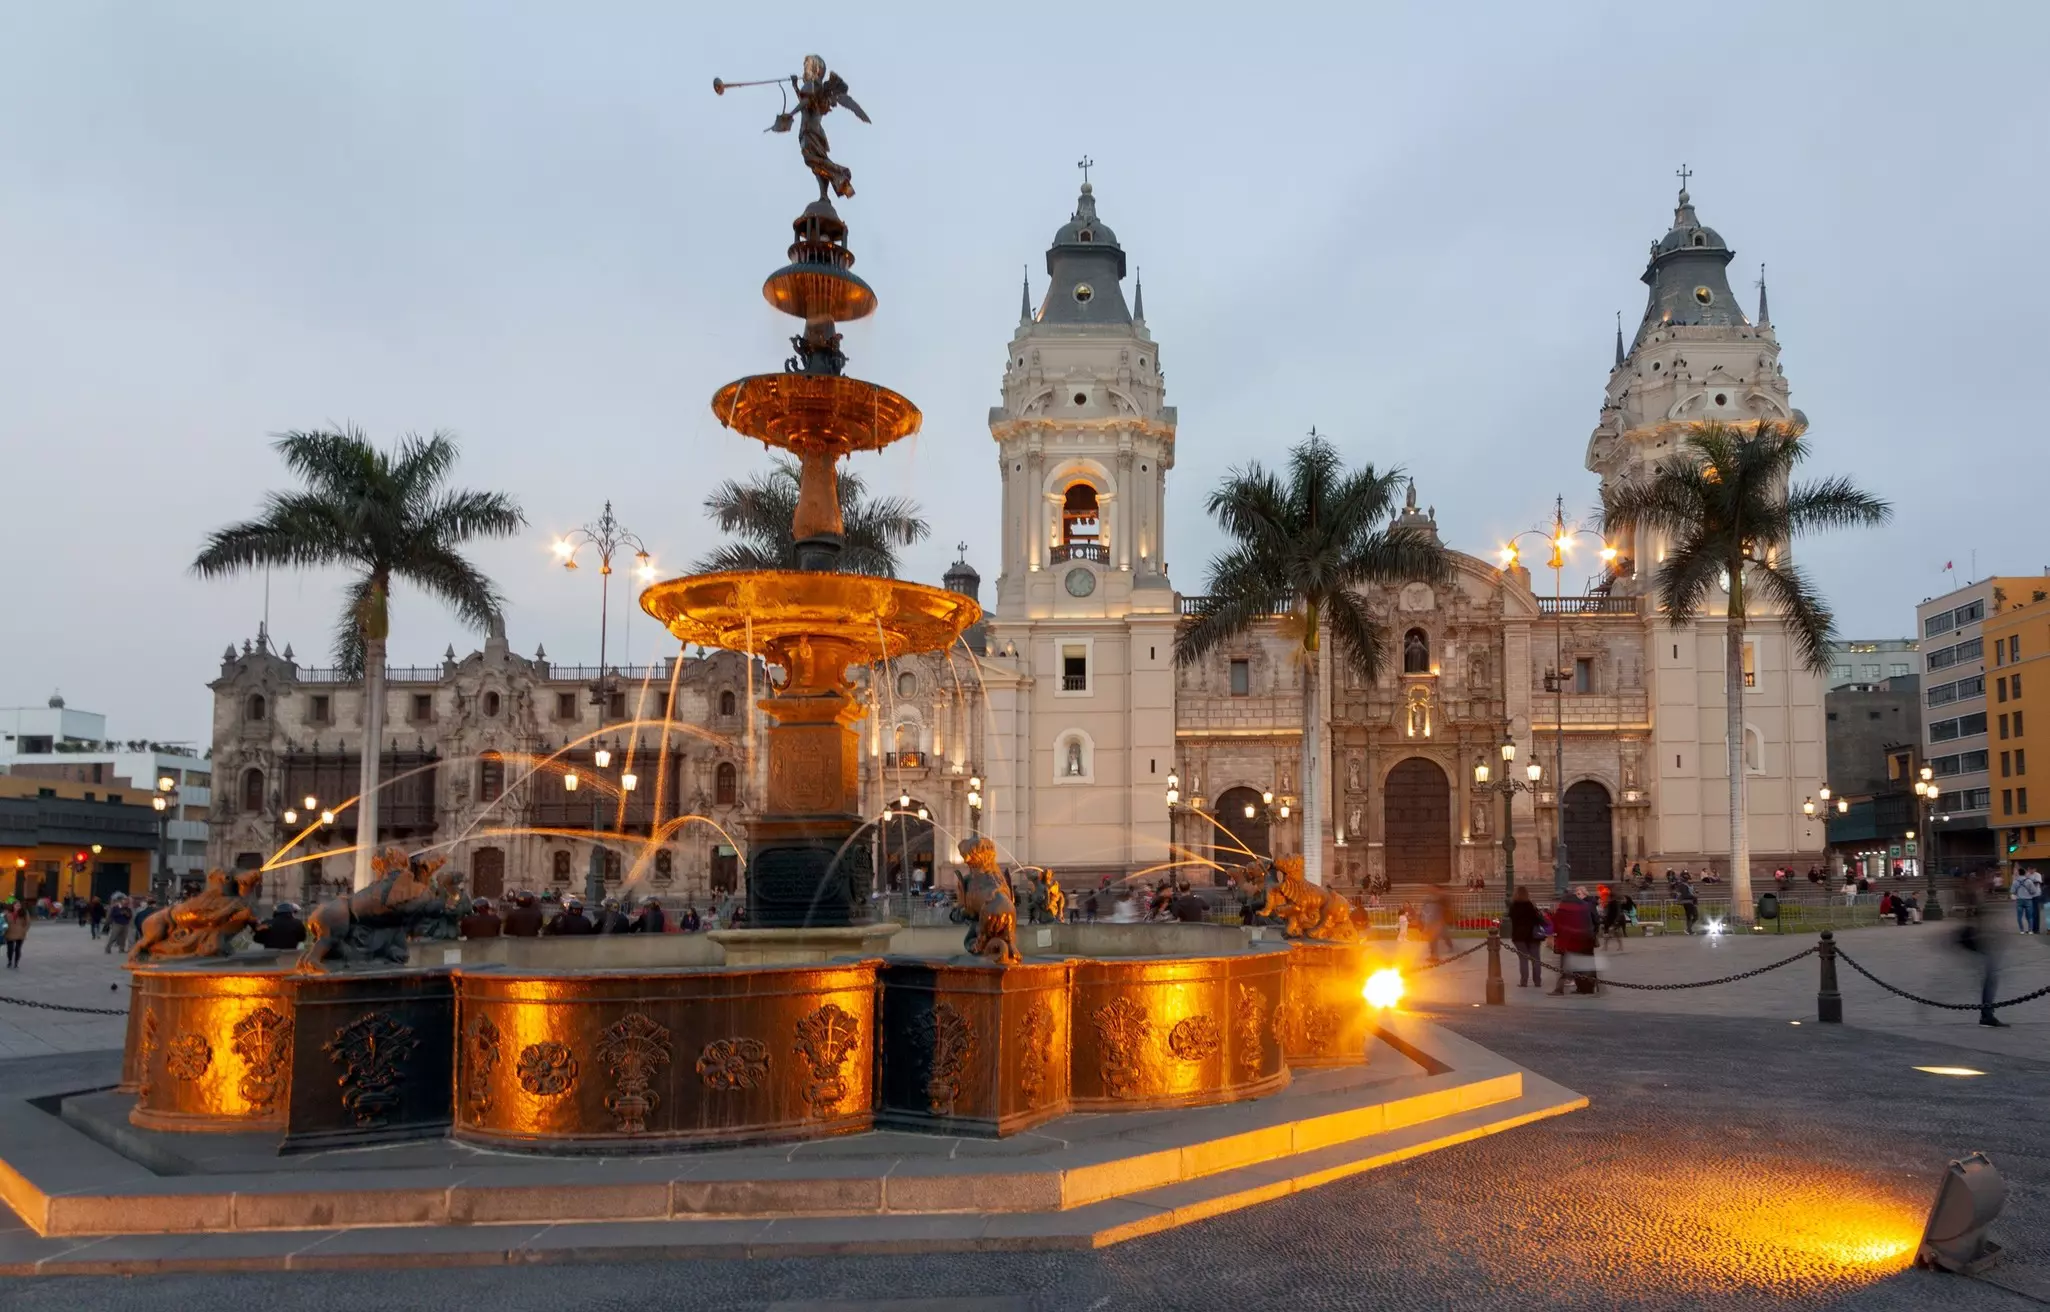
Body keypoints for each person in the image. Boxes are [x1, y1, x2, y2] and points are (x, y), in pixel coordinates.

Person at [1547, 890, 1597, 995]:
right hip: (1586, 940)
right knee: (1584, 966)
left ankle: (1559, 989)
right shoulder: (1585, 907)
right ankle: (1586, 988)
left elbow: (1556, 924)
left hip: (1570, 942)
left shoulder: (1563, 909)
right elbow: (1594, 920)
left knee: (1565, 966)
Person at [1506, 886, 1545, 988]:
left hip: (1519, 936)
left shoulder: (1514, 906)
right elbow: (1538, 919)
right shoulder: (1531, 906)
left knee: (1523, 959)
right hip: (1533, 936)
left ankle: (1524, 981)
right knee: (1536, 959)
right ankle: (1537, 981)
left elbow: (1510, 916)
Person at [2012, 867, 2042, 935]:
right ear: (2025, 873)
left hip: (2019, 900)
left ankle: (2022, 931)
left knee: (2019, 916)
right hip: (2028, 900)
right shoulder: (2029, 881)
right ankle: (2030, 930)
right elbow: (2033, 891)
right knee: (2030, 916)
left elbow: (2012, 891)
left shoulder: (2015, 881)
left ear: (2018, 873)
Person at [1, 900, 26, 968]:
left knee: (18, 949)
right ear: (13, 906)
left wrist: (24, 930)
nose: (18, 907)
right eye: (16, 905)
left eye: (19, 906)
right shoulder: (7, 914)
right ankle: (10, 960)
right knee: (10, 949)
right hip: (10, 933)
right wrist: (3, 929)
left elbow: (27, 923)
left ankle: (16, 962)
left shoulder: (24, 913)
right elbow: (3, 922)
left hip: (20, 934)